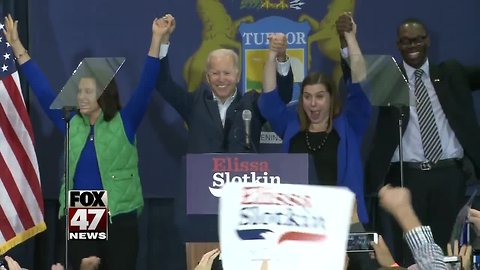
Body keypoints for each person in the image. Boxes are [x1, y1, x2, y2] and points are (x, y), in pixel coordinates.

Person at [4, 13, 171, 270]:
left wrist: (157, 39)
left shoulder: (125, 121)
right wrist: (17, 47)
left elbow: (146, 84)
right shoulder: (71, 123)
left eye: (87, 92)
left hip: (120, 214)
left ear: (104, 93)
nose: (80, 96)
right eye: (79, 90)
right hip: (84, 207)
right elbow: (43, 90)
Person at [339, 17, 480, 265]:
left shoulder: (451, 73)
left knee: (449, 250)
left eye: (417, 39)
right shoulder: (390, 77)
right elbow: (357, 75)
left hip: (450, 176)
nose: (412, 45)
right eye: (405, 41)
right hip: (407, 179)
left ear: (428, 41)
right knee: (411, 251)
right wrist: (348, 39)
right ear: (398, 45)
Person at [258, 14, 371, 224]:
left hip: (343, 220)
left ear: (331, 98)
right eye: (307, 97)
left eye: (320, 97)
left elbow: (360, 85)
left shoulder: (349, 126)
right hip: (296, 222)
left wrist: (350, 38)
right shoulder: (291, 126)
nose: (313, 104)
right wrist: (272, 54)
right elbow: (269, 101)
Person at [155, 16, 293, 153]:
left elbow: (281, 98)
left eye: (227, 73)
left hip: (244, 174)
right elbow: (164, 84)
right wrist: (163, 40)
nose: (221, 79)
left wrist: (281, 57)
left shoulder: (252, 104)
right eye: (215, 73)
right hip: (202, 174)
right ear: (208, 77)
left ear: (237, 76)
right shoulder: (194, 103)